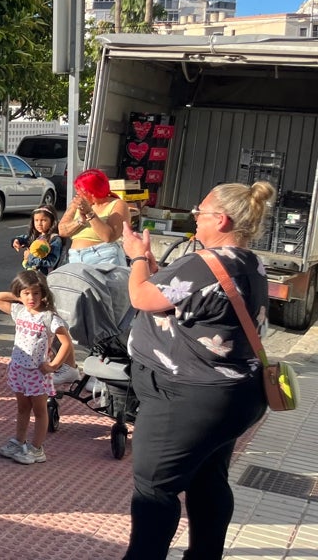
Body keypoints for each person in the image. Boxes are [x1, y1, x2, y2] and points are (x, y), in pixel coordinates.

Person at [118, 181, 274, 560]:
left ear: (220, 220)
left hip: (188, 397)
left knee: (155, 489)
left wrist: (138, 257)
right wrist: (153, 270)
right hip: (232, 395)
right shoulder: (250, 261)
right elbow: (185, 300)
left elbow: (140, 296)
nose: (195, 219)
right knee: (208, 480)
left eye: (199, 214)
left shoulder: (205, 263)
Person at [0, 271, 72, 465]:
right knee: (22, 407)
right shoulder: (19, 311)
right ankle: (19, 441)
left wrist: (53, 365)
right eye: (26, 293)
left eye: (35, 293)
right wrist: (19, 295)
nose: (31, 298)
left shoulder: (49, 318)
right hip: (18, 368)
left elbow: (66, 343)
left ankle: (37, 448)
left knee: (40, 410)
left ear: (43, 293)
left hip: (37, 372)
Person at [58, 168, 130, 265]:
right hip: (75, 257)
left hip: (103, 256)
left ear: (93, 190)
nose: (78, 194)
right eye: (77, 190)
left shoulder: (117, 204)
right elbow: (62, 230)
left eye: (82, 190)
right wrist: (79, 221)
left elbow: (109, 237)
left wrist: (90, 213)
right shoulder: (77, 203)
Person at [12, 205, 63, 275]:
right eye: (36, 220)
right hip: (32, 274)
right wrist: (17, 240)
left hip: (44, 277)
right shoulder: (37, 236)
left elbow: (51, 262)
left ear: (52, 221)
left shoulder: (54, 239)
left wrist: (30, 257)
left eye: (43, 220)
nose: (39, 224)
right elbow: (26, 238)